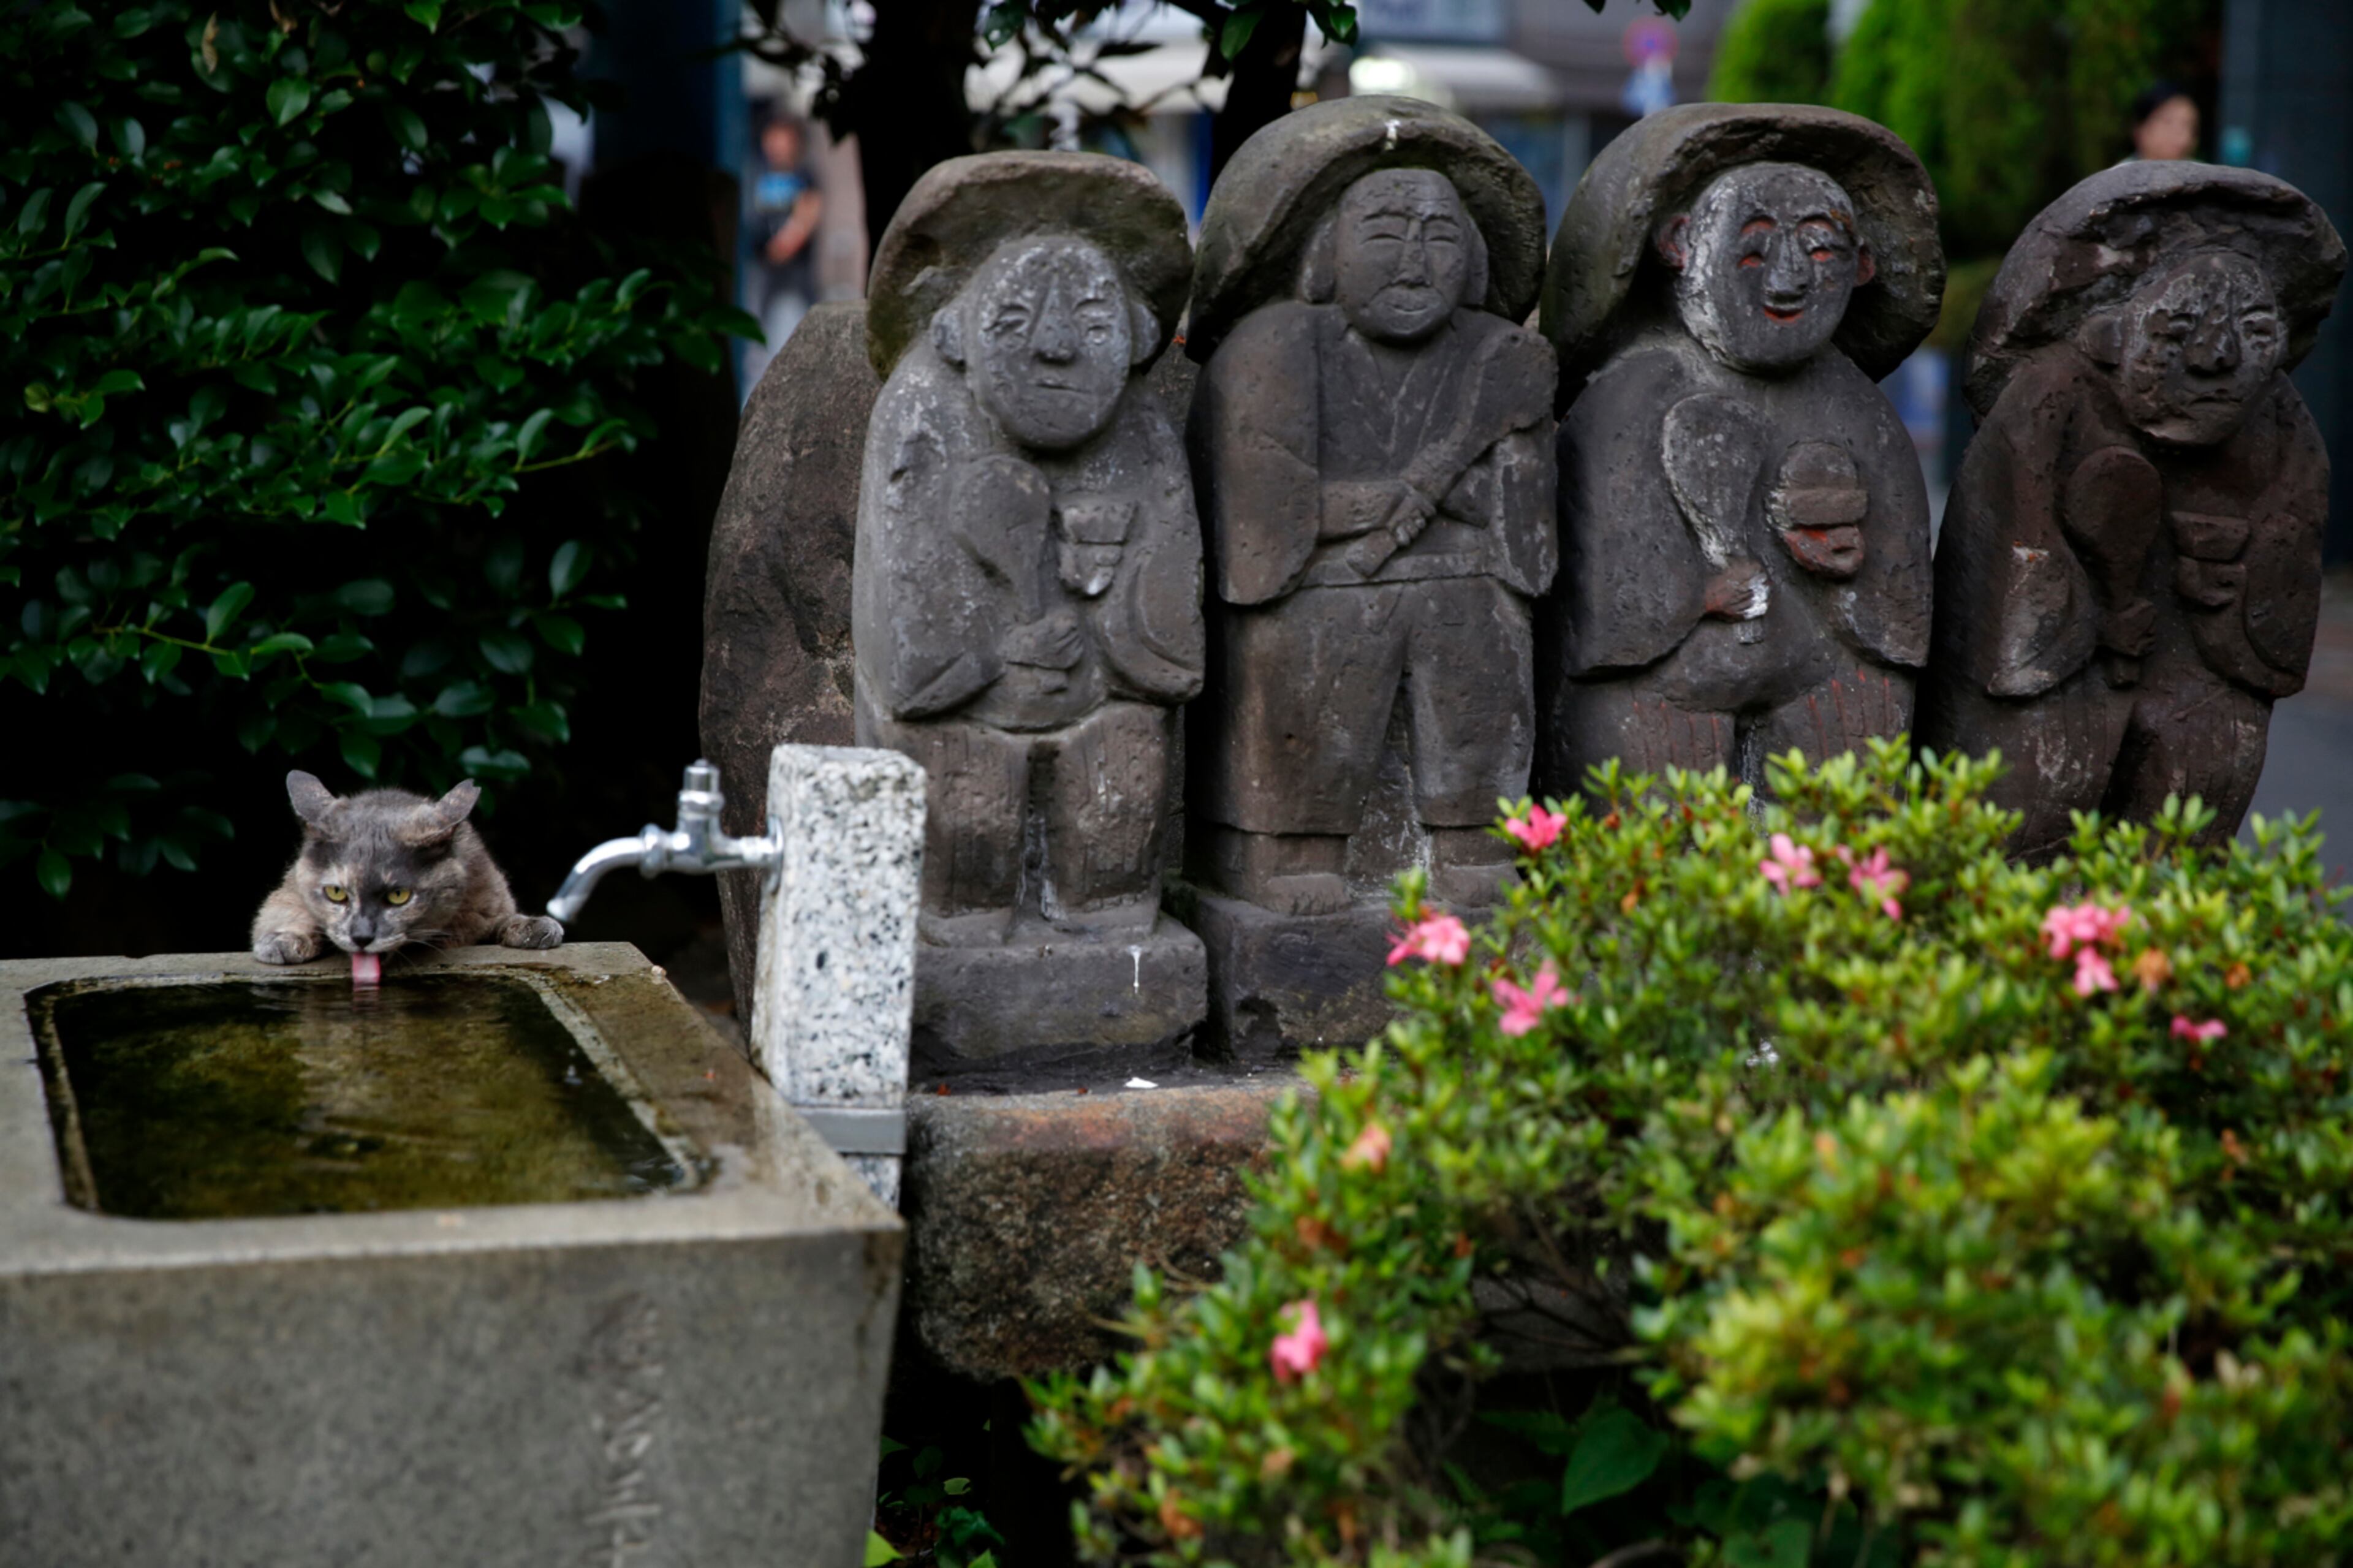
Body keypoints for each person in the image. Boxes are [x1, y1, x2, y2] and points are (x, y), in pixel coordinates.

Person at [1185, 97, 1558, 917]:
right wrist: (1422, 494)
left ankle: (1476, 837)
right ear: (1327, 251)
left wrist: (1432, 497)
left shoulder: (1504, 355)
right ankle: (1297, 845)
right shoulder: (1277, 347)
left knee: (1485, 616)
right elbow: (1268, 513)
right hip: (1322, 589)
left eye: (1440, 238)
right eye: (1385, 234)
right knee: (1320, 625)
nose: (1414, 261)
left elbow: (1526, 531)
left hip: (1463, 582)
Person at [1537, 104, 1945, 799]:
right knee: (1653, 822)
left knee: (1856, 753)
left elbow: (1902, 608)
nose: (1788, 281)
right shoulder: (1634, 396)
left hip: (1816, 677)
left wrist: (1843, 573)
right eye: (1752, 253)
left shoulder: (1855, 408)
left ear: (1865, 267)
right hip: (1671, 690)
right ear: (1680, 246)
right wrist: (1700, 594)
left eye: (1822, 253)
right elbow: (1602, 607)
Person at [748, 111, 822, 377]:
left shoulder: (805, 174)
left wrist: (787, 242)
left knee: (806, 324)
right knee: (760, 331)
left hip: (797, 269)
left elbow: (809, 211)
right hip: (763, 269)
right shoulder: (756, 172)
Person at [2130, 81, 2199, 162]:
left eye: (2188, 125)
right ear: (2140, 128)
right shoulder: (2120, 174)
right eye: (2168, 122)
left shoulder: (2205, 174)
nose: (2180, 134)